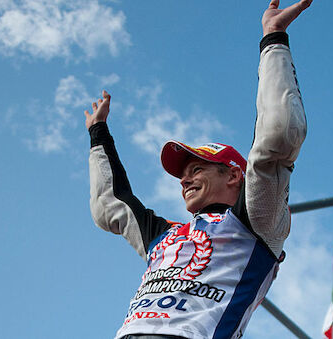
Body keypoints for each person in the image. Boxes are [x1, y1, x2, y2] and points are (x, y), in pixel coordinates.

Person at [85, 1, 312, 338]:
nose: (185, 179)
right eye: (182, 174)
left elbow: (278, 137)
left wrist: (273, 39)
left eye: (196, 168)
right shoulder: (164, 236)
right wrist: (98, 133)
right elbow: (109, 206)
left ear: (234, 175)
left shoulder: (256, 220)